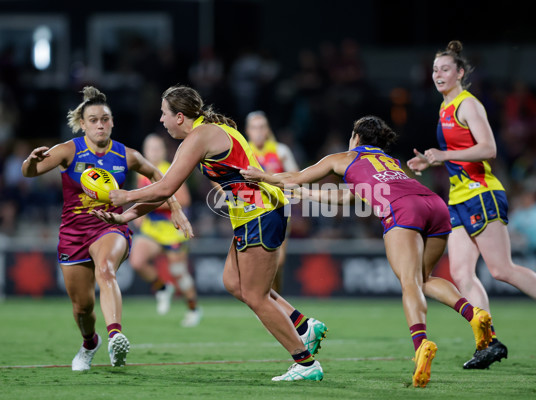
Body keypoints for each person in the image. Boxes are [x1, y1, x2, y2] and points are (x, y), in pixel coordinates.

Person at [92, 85, 327, 381]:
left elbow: (165, 189)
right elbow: (163, 192)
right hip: (252, 215)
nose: (161, 120)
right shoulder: (208, 132)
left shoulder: (200, 137)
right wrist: (125, 216)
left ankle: (306, 364)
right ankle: (304, 327)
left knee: (255, 295)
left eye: (164, 114)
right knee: (233, 282)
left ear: (180, 116)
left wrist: (125, 196)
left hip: (260, 213)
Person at [241, 115, 494, 388]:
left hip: (403, 209)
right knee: (423, 279)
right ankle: (474, 314)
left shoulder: (344, 157)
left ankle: (421, 345)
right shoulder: (389, 161)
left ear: (356, 138)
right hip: (433, 203)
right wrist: (307, 195)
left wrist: (263, 176)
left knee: (409, 283)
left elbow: (295, 176)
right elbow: (351, 196)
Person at [406, 40, 536, 369]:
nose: (438, 74)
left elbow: (489, 148)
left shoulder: (467, 104)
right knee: (460, 273)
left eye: (445, 69)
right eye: (434, 69)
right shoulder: (445, 108)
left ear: (460, 72)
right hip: (458, 198)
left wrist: (443, 154)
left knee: (501, 269)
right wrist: (432, 161)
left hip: (481, 193)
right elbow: (461, 153)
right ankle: (488, 342)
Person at [21, 86, 192, 371]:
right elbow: (30, 173)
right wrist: (30, 162)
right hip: (73, 233)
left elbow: (159, 176)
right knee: (82, 308)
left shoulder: (127, 155)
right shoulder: (68, 150)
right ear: (83, 124)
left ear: (112, 121)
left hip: (110, 227)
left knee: (105, 269)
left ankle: (115, 336)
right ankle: (90, 342)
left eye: (105, 118)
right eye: (93, 120)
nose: (100, 124)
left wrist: (174, 207)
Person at [129, 133, 201, 327]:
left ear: (163, 151)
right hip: (152, 231)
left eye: (156, 148)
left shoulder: (170, 171)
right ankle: (162, 288)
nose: (153, 152)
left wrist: (152, 204)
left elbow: (184, 200)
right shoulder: (141, 172)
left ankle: (193, 309)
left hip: (172, 232)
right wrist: (141, 213)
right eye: (149, 148)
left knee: (179, 273)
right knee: (137, 261)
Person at [245, 110, 299, 293]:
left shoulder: (280, 151)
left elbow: (297, 177)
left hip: (278, 211)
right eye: (254, 128)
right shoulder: (244, 153)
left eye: (262, 127)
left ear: (267, 130)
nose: (258, 132)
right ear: (248, 131)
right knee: (258, 262)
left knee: (278, 262)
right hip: (252, 213)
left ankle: (274, 299)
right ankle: (265, 301)